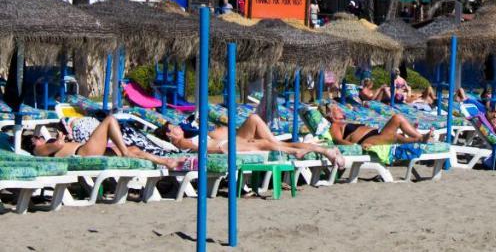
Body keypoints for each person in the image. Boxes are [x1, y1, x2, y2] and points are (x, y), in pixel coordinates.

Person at [158, 116, 346, 167]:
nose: (177, 127)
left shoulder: (191, 134)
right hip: (227, 147)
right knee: (269, 145)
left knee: (254, 119)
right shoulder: (182, 142)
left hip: (234, 140)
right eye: (173, 128)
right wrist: (222, 148)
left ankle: (294, 149)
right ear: (170, 135)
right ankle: (323, 150)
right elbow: (203, 150)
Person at [28, 116, 180, 170]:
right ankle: (125, 153)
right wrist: (60, 138)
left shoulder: (44, 147)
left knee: (133, 148)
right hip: (83, 153)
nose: (39, 137)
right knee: (109, 120)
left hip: (86, 150)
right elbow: (58, 146)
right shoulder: (38, 151)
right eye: (36, 138)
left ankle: (165, 161)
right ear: (34, 143)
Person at [320, 102, 435, 147]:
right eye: (336, 109)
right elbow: (337, 140)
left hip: (377, 134)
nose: (340, 109)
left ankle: (420, 136)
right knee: (394, 137)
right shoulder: (334, 125)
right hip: (365, 141)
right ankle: (419, 139)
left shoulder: (345, 121)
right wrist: (355, 147)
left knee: (397, 117)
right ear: (330, 115)